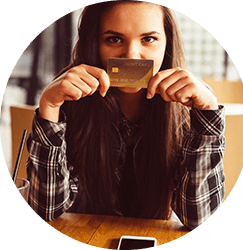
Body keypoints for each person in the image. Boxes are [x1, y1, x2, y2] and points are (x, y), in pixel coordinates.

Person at [26, 0, 225, 230]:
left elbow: (199, 219)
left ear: (167, 44)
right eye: (114, 39)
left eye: (148, 39)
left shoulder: (190, 108)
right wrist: (49, 108)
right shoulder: (69, 102)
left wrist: (208, 116)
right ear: (94, 43)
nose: (132, 54)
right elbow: (46, 210)